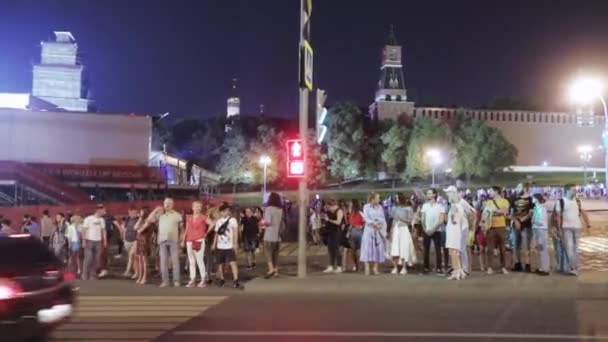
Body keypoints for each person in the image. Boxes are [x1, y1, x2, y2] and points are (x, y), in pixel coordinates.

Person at [145, 198, 183, 287]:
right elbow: (148, 220)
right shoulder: (160, 214)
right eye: (165, 203)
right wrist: (155, 210)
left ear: (173, 205)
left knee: (175, 261)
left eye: (169, 203)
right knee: (163, 262)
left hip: (173, 240)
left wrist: (181, 239)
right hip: (162, 240)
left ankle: (176, 281)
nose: (167, 205)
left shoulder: (177, 215)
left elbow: (182, 228)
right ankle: (165, 281)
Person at [554, 184, 590, 276]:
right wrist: (558, 229)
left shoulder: (578, 201)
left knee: (575, 249)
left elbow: (584, 213)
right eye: (573, 190)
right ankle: (572, 267)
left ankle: (572, 266)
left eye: (575, 190)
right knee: (569, 248)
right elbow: (558, 217)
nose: (575, 192)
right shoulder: (561, 202)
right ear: (566, 191)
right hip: (566, 228)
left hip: (577, 227)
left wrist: (588, 225)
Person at [444, 186, 475, 280]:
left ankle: (463, 269)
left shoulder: (461, 202)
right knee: (456, 249)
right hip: (456, 228)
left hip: (461, 228)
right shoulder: (452, 203)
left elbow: (472, 213)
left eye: (448, 193)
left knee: (460, 249)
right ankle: (457, 269)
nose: (447, 195)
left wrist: (470, 226)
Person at [182, 200, 211, 288]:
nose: (197, 208)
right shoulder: (189, 217)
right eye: (196, 206)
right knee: (191, 261)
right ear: (192, 207)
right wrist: (183, 240)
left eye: (199, 206)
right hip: (189, 241)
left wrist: (206, 233)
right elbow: (186, 229)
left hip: (199, 240)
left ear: (201, 208)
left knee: (200, 260)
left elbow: (212, 223)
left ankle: (203, 280)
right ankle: (192, 280)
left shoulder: (203, 217)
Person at [212, 202, 241, 288]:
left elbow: (235, 232)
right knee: (220, 264)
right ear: (220, 212)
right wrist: (214, 244)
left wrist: (235, 244)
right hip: (220, 246)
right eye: (223, 211)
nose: (225, 212)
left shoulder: (233, 220)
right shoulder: (218, 221)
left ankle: (236, 280)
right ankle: (222, 279)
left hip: (229, 246)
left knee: (233, 263)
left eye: (227, 211)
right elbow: (216, 234)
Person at [484, 186, 510, 275]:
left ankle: (503, 267)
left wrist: (492, 211)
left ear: (496, 192)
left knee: (502, 248)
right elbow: (485, 213)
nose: (489, 192)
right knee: (490, 249)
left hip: (501, 226)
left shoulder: (504, 201)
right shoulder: (489, 202)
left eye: (491, 191)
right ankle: (490, 267)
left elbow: (504, 211)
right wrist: (495, 211)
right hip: (490, 227)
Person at [420, 188, 448, 274]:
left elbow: (441, 220)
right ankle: (426, 268)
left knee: (438, 250)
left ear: (434, 194)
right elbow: (422, 218)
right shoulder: (425, 206)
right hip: (426, 230)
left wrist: (433, 229)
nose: (428, 195)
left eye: (429, 193)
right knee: (426, 250)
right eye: (427, 193)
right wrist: (425, 229)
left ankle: (439, 268)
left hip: (437, 231)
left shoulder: (440, 206)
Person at [360, 192, 387, 276]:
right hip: (369, 230)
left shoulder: (380, 207)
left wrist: (379, 223)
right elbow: (366, 218)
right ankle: (367, 266)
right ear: (373, 199)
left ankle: (375, 267)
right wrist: (373, 223)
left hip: (378, 230)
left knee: (378, 248)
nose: (379, 199)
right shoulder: (366, 207)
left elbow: (382, 218)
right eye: (378, 198)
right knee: (367, 247)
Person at [389, 194, 417, 275]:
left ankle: (404, 267)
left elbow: (409, 221)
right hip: (395, 229)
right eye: (395, 198)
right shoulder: (394, 208)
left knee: (404, 248)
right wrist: (391, 230)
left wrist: (401, 219)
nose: (396, 199)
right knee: (395, 248)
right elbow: (392, 220)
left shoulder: (408, 209)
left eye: (397, 198)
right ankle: (395, 267)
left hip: (404, 229)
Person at [511, 182, 534, 272]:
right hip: (516, 225)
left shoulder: (531, 199)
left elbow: (530, 213)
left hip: (526, 225)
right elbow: (511, 213)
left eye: (519, 187)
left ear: (525, 188)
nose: (517, 189)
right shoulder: (514, 199)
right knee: (516, 245)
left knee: (526, 246)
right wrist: (516, 221)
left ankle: (528, 264)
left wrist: (521, 220)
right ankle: (517, 263)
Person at [81, 205, 108, 281]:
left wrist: (105, 240)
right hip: (89, 241)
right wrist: (83, 240)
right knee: (88, 258)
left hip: (98, 242)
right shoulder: (88, 219)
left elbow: (103, 230)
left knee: (96, 259)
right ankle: (84, 274)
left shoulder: (102, 220)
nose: (104, 212)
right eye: (103, 210)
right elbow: (84, 230)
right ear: (98, 210)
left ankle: (93, 275)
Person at [261, 193, 284, 278]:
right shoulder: (280, 210)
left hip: (269, 235)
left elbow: (268, 222)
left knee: (267, 252)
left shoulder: (269, 209)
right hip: (278, 236)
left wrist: (262, 223)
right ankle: (276, 270)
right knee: (275, 254)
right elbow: (282, 223)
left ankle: (271, 269)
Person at [321, 198, 344, 273]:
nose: (329, 208)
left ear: (333, 205)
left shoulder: (339, 211)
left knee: (336, 249)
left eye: (329, 206)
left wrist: (329, 220)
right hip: (330, 231)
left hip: (336, 232)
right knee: (330, 249)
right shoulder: (329, 211)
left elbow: (338, 222)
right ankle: (331, 265)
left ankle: (339, 266)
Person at [531, 193, 550, 276]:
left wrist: (534, 221)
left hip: (540, 230)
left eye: (533, 198)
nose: (532, 199)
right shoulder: (537, 208)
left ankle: (545, 268)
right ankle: (542, 267)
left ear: (537, 199)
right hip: (538, 230)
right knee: (540, 249)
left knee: (542, 250)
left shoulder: (540, 208)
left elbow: (541, 221)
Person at [120, 207, 139, 278]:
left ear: (136, 212)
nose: (132, 214)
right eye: (130, 212)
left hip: (135, 240)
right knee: (132, 257)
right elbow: (125, 229)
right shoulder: (128, 219)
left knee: (132, 255)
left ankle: (128, 271)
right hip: (127, 240)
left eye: (133, 212)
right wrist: (124, 239)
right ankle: (135, 272)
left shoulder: (138, 219)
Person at [135, 207, 153, 285]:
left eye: (142, 212)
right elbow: (135, 227)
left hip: (144, 241)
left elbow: (140, 230)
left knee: (144, 260)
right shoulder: (141, 220)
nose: (140, 213)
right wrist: (139, 219)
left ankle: (144, 277)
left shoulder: (148, 221)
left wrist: (140, 225)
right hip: (139, 241)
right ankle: (140, 276)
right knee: (139, 259)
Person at [347, 199, 365, 272]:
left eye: (351, 204)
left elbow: (365, 221)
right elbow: (350, 224)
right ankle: (355, 265)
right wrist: (348, 232)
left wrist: (361, 226)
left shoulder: (360, 213)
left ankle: (360, 265)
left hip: (359, 232)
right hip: (352, 232)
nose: (349, 206)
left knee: (359, 250)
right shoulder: (351, 213)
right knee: (352, 250)